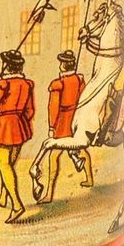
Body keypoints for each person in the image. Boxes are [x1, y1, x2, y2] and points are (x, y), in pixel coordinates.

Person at [0, 49, 36, 223]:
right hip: (20, 125)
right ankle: (3, 197)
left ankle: (17, 205)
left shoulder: (3, 83)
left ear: (6, 66)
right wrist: (19, 120)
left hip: (5, 125)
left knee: (3, 163)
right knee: (10, 164)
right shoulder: (27, 84)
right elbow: (30, 111)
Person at [33, 49, 91, 202]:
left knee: (54, 156)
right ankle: (89, 178)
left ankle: (49, 194)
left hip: (63, 121)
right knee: (80, 148)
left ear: (63, 65)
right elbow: (83, 98)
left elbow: (53, 107)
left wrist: (52, 127)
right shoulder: (79, 80)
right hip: (76, 118)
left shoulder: (58, 84)